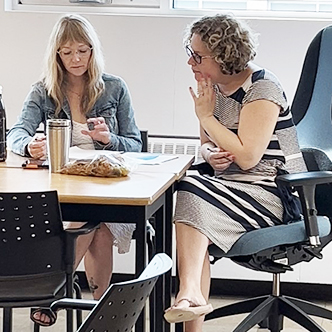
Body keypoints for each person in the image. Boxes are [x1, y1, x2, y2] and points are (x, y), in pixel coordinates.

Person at [163, 14, 307, 332]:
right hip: (228, 187)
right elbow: (205, 145)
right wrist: (209, 155)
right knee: (192, 200)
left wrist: (205, 115)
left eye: (197, 55)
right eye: (190, 51)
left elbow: (247, 156)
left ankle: (188, 292)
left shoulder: (262, 87)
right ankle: (190, 298)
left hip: (273, 191)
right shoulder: (211, 86)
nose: (190, 61)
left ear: (225, 54)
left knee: (191, 192)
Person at [7, 13, 142, 325]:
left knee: (95, 222)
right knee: (92, 223)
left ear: (93, 51)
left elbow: (135, 144)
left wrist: (109, 140)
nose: (75, 59)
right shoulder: (44, 89)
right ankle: (103, 312)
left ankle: (55, 290)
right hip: (66, 186)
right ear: (57, 55)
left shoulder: (114, 88)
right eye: (67, 53)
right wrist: (30, 146)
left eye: (82, 51)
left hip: (110, 185)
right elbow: (16, 134)